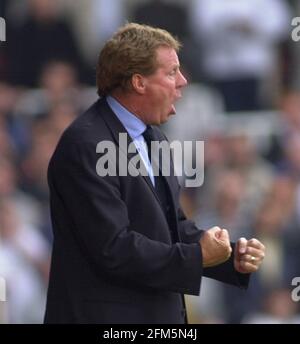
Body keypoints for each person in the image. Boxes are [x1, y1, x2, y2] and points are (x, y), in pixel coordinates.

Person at [44, 23, 265, 324]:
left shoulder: (153, 137)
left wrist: (228, 257)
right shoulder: (86, 144)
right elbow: (114, 248)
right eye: (172, 72)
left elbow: (171, 227)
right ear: (139, 82)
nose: (183, 81)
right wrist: (198, 256)